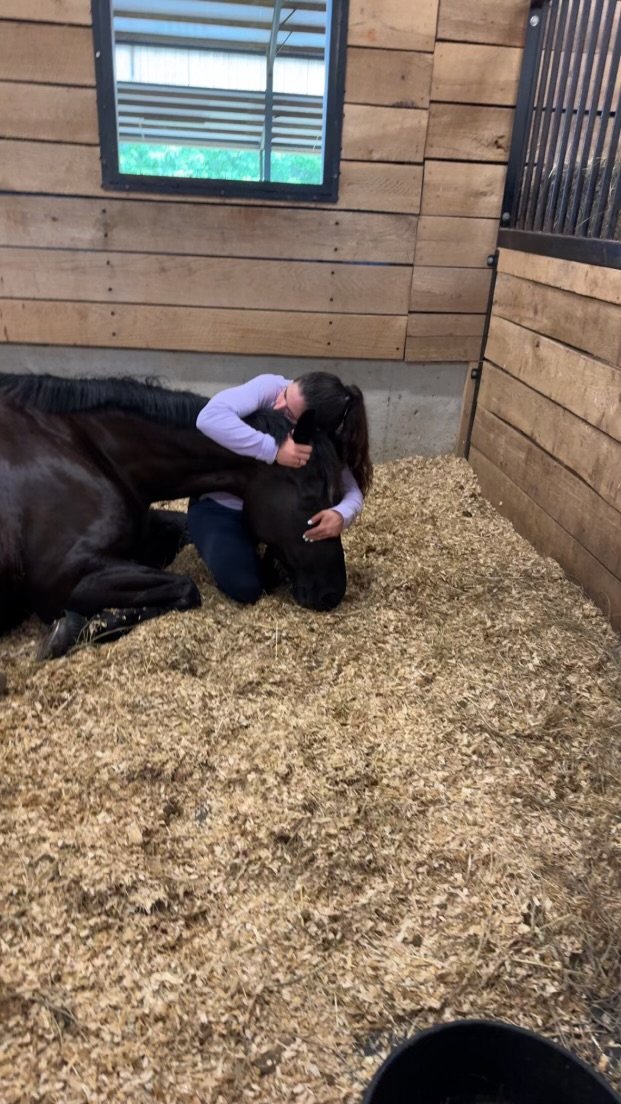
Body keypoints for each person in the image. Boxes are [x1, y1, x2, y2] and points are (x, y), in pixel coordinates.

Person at [188, 372, 372, 604]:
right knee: (246, 587)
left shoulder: (318, 437)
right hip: (221, 505)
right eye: (286, 394)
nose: (278, 404)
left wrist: (341, 515)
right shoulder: (271, 388)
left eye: (288, 413)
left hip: (269, 514)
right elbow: (209, 418)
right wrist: (274, 450)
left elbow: (351, 490)